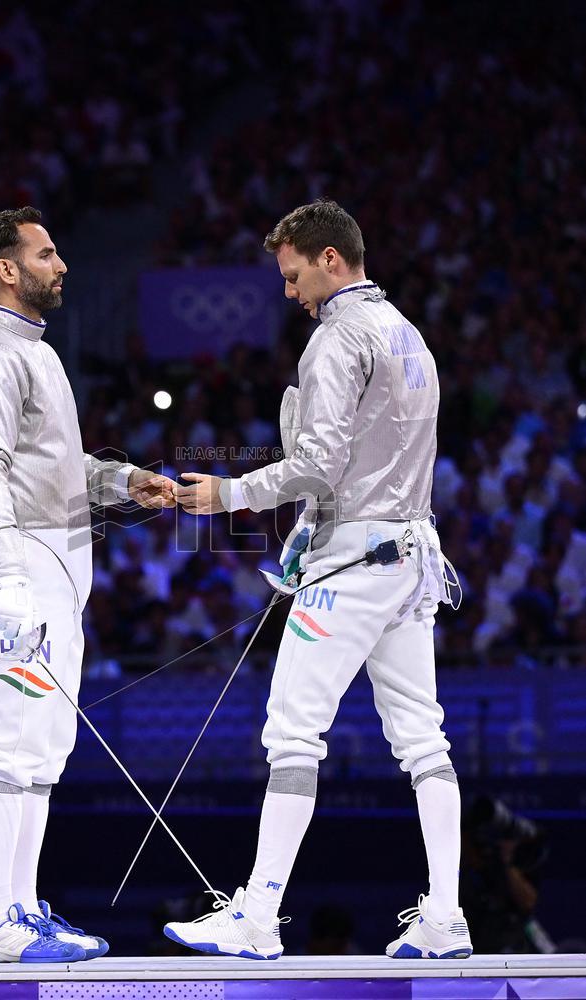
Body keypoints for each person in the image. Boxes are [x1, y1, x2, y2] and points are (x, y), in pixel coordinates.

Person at [168, 199, 471, 960]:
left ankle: (258, 919)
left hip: (355, 564)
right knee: (421, 738)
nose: (288, 291)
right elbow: (368, 461)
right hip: (409, 557)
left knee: (293, 731)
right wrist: (308, 523)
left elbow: (315, 466)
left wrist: (227, 493)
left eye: (293, 273)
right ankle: (443, 916)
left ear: (329, 258)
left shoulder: (336, 338)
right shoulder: (407, 333)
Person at [0, 206, 174, 964]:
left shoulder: (37, 354)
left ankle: (16, 910)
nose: (62, 264)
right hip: (21, 568)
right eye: (46, 254)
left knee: (44, 752)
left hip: (56, 569)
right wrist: (7, 580)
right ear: (7, 270)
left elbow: (52, 469)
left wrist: (121, 478)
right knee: (10, 749)